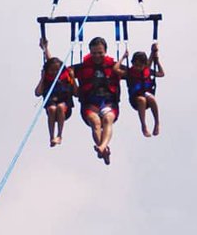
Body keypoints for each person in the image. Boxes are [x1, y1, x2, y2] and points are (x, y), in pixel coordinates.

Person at [72, 36, 124, 165]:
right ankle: (103, 149)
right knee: (96, 123)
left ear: (105, 51)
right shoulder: (82, 67)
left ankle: (102, 147)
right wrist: (46, 50)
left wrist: (153, 56)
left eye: (100, 53)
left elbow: (139, 71)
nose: (97, 56)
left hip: (109, 102)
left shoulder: (114, 66)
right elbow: (55, 69)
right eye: (94, 53)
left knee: (107, 120)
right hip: (90, 104)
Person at [36, 37, 75, 147]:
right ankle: (51, 137)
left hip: (65, 108)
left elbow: (76, 93)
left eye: (56, 70)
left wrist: (73, 79)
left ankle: (59, 135)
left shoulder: (65, 75)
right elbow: (37, 93)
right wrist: (45, 48)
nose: (54, 72)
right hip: (51, 107)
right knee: (53, 108)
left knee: (59, 108)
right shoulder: (47, 78)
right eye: (51, 70)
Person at [127, 42, 164, 137]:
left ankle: (157, 123)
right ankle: (144, 125)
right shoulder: (130, 72)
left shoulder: (147, 70)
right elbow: (116, 70)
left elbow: (161, 74)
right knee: (142, 99)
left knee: (151, 98)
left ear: (144, 65)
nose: (137, 68)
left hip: (147, 95)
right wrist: (123, 57)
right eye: (135, 65)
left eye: (140, 66)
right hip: (135, 99)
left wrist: (157, 59)